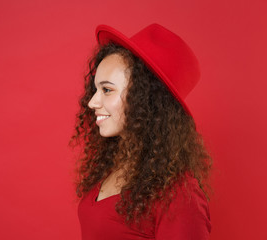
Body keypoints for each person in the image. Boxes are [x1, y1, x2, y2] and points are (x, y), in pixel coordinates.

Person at [69, 23, 213, 240]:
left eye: (107, 90)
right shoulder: (113, 166)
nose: (92, 102)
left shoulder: (178, 194)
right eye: (95, 89)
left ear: (145, 99)